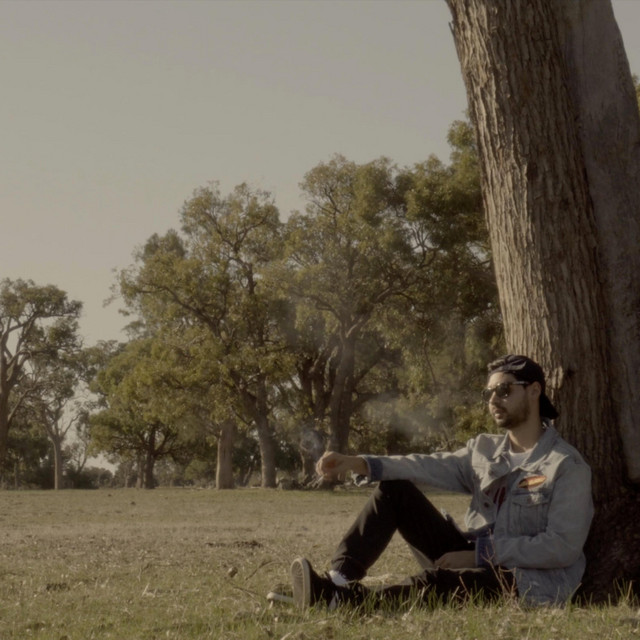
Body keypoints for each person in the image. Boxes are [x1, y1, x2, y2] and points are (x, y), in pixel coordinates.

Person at [286, 355, 594, 610]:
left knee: (438, 584)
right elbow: (427, 465)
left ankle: (343, 602)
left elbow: (562, 547)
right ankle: (337, 581)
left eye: (504, 390)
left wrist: (480, 555)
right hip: (472, 556)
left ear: (534, 391)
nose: (493, 400)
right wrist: (360, 463)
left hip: (527, 580)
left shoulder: (565, 465)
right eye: (488, 393)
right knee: (395, 489)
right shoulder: (484, 450)